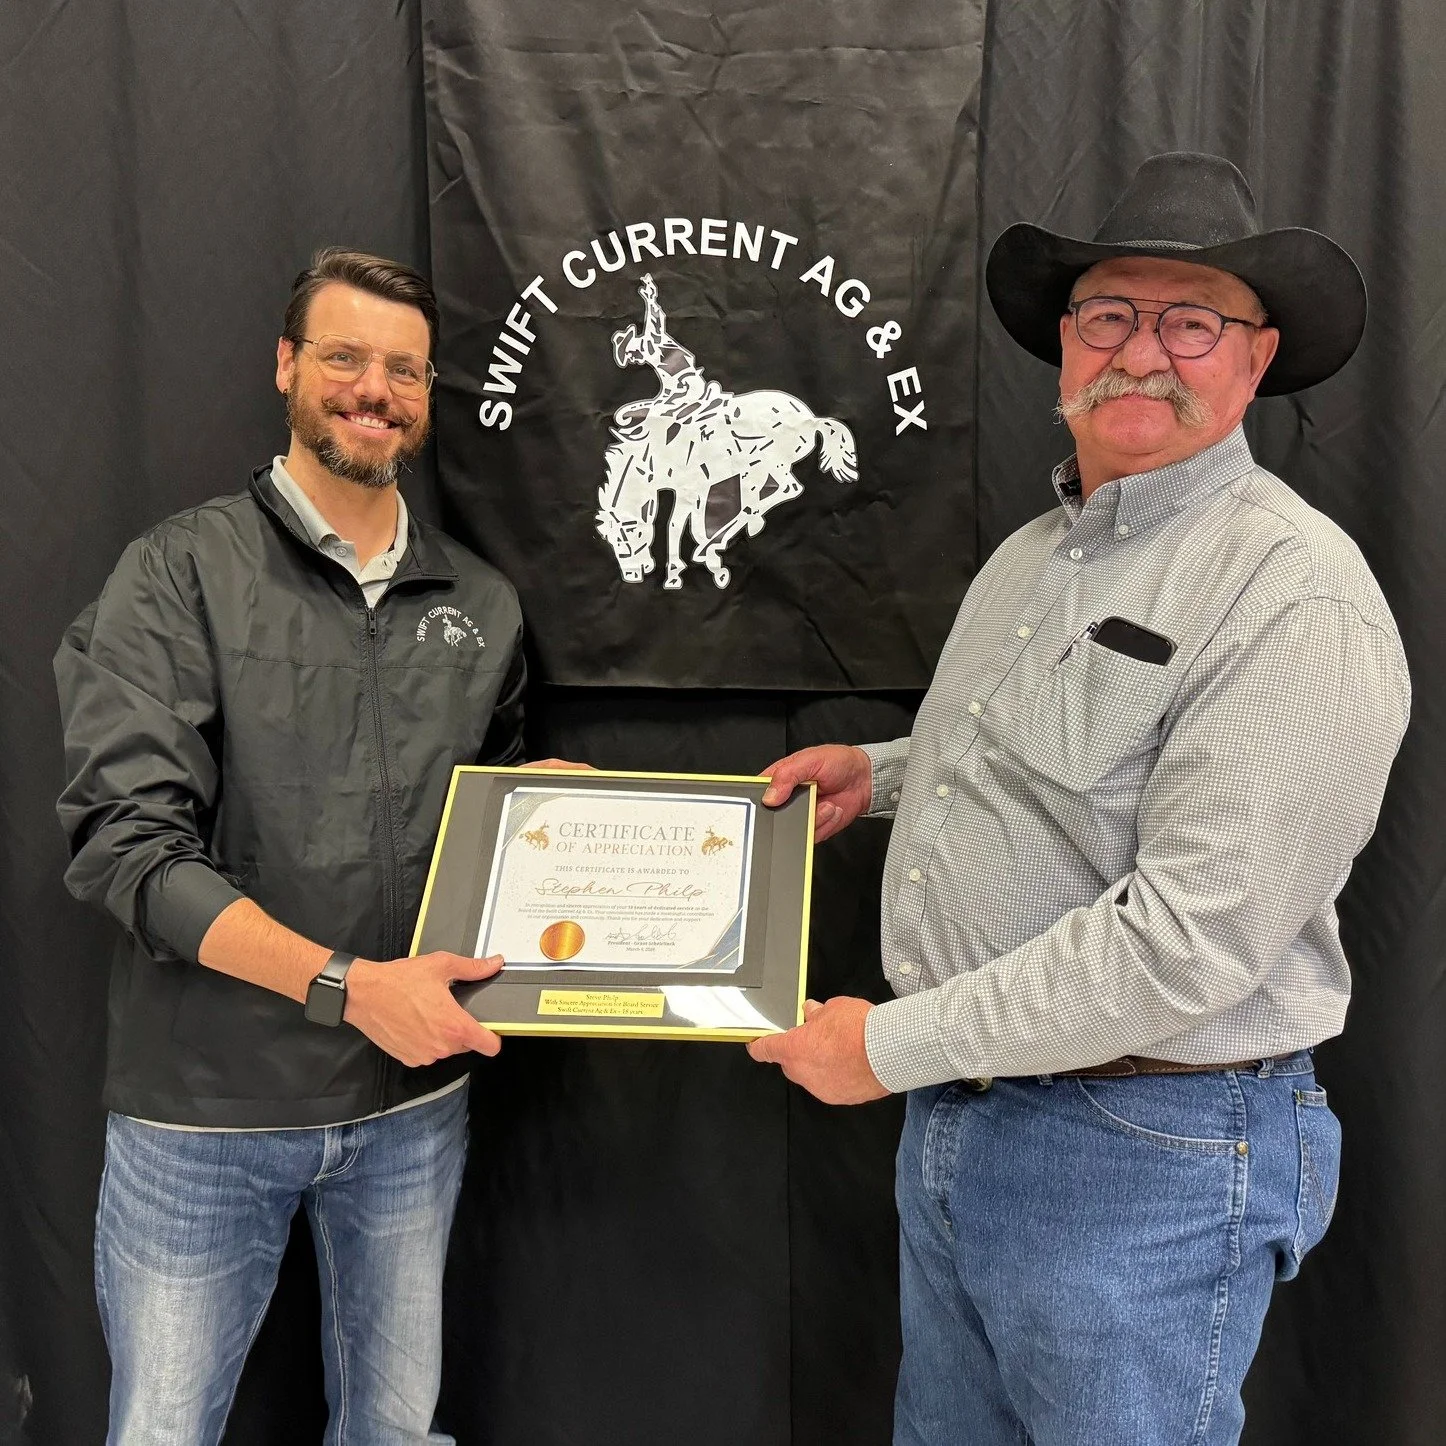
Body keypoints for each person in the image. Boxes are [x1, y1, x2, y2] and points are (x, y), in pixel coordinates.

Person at [750, 153, 1411, 1446]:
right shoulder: (1031, 554)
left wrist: (882, 1049)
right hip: (965, 1124)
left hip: (1138, 1153)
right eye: (1107, 314)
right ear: (1063, 344)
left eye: (1190, 321)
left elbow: (1185, 938)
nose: (1140, 352)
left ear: (1255, 355)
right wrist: (876, 777)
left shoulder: (1290, 595)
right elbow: (1040, 759)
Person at [54, 248, 525, 1445]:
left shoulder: (483, 600)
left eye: (404, 368)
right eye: (345, 357)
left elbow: (478, 820)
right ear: (287, 366)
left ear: (427, 393)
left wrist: (542, 811)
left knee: (395, 1430)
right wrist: (348, 990)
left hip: (413, 1110)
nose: (376, 388)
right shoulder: (176, 573)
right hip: (201, 1113)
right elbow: (130, 850)